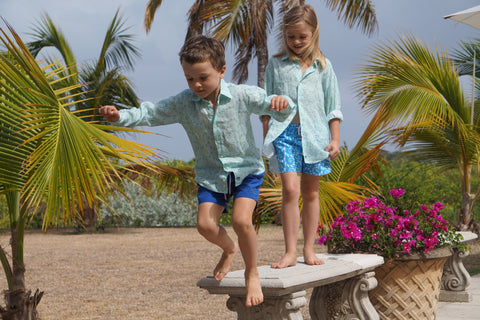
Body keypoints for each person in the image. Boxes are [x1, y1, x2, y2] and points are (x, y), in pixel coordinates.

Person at [99, 35, 294, 307]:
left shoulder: (240, 95)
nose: (196, 85)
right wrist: (121, 116)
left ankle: (252, 273)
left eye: (203, 77)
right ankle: (229, 248)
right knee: (204, 225)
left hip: (246, 171)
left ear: (222, 71)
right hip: (211, 175)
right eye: (190, 79)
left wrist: (281, 104)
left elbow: (273, 104)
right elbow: (152, 112)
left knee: (241, 221)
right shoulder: (184, 102)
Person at [261, 5, 343, 269]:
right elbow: (265, 104)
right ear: (284, 35)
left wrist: (335, 139)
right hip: (284, 134)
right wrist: (267, 134)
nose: (296, 42)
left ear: (314, 34)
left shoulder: (324, 66)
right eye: (291, 37)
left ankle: (308, 249)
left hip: (316, 137)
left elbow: (333, 106)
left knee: (311, 193)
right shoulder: (275, 64)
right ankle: (289, 252)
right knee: (290, 189)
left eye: (302, 37)